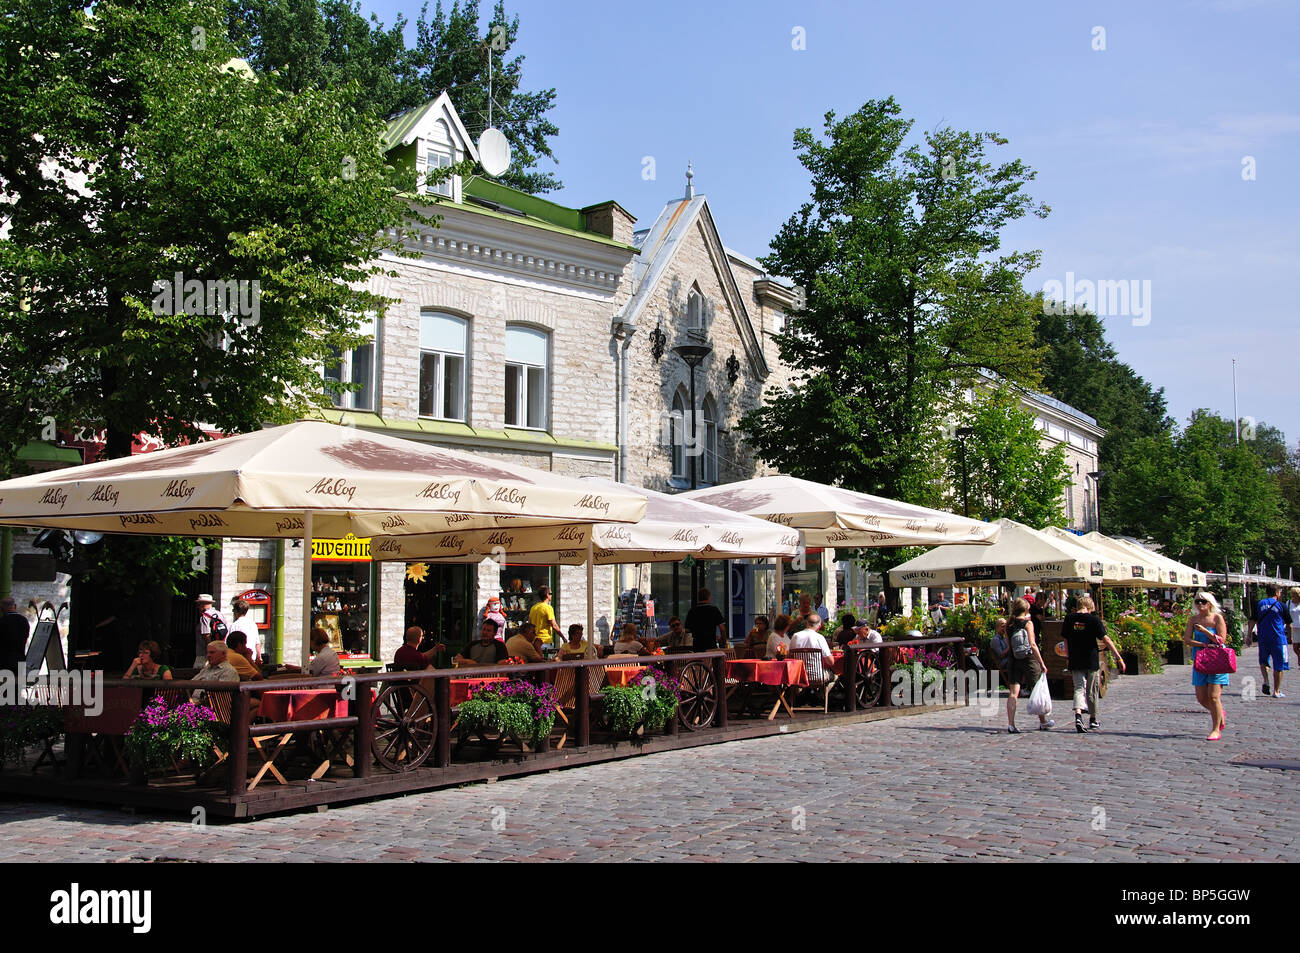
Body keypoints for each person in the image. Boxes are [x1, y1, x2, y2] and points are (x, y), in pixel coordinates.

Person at [1060, 594, 1123, 733]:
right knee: (1092, 689)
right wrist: (1118, 657)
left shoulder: (1069, 618)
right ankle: (1093, 719)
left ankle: (1078, 715)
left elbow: (1065, 639)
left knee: (1078, 688)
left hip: (1075, 658)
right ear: (1089, 607)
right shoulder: (1093, 620)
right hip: (1091, 658)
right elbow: (1106, 640)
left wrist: (1068, 655)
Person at [1185, 591, 1230, 740]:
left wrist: (1205, 632)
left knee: (1214, 696)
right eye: (1197, 602)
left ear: (1209, 603)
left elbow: (1221, 640)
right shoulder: (1193, 619)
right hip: (1200, 660)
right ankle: (1219, 714)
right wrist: (1202, 644)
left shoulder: (1217, 618)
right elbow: (1187, 639)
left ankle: (1215, 729)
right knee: (1201, 698)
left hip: (1217, 660)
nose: (1199, 605)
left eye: (1202, 602)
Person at [1004, 598, 1052, 733]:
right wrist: (1041, 663)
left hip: (1013, 659)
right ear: (1026, 610)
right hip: (1028, 658)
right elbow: (1033, 644)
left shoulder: (1009, 625)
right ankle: (1042, 721)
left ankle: (1011, 724)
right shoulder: (1028, 623)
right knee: (1037, 688)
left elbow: (1008, 646)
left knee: (1013, 693)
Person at [1249, 583, 1292, 698]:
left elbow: (1252, 620)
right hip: (1278, 638)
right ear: (1277, 593)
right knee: (1279, 664)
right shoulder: (1281, 605)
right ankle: (1276, 691)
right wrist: (1290, 637)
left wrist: (1249, 635)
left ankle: (1266, 680)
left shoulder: (1259, 604)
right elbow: (1289, 623)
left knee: (1263, 660)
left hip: (1263, 638)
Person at [193, 593, 227, 666]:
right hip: (219, 653)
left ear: (202, 604)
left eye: (199, 604)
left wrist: (210, 652)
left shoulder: (204, 617)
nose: (198, 607)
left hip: (204, 655)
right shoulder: (220, 615)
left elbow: (206, 635)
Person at [0, 597, 30, 676]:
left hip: (3, 663)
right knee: (16, 687)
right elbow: (25, 638)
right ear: (15, 606)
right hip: (20, 661)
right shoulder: (24, 621)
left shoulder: (2, 622)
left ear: (2, 609)